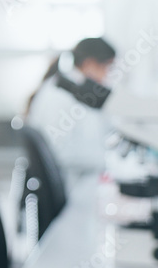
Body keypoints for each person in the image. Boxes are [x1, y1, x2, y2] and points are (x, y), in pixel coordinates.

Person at [25, 37, 117, 173]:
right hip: (72, 185)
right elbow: (57, 152)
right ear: (89, 64)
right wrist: (105, 160)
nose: (108, 76)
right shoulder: (59, 95)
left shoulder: (78, 92)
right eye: (108, 68)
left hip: (84, 181)